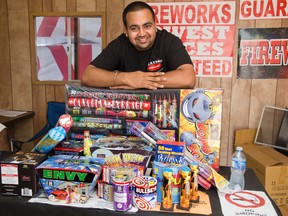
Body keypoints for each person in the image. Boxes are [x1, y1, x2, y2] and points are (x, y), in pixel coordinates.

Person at [81, 1, 196, 90]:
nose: (142, 34)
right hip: (130, 112)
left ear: (155, 25)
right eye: (134, 28)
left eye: (147, 26)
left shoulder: (169, 41)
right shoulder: (119, 45)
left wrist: (141, 82)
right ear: (126, 30)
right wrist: (127, 78)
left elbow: (188, 78)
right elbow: (87, 76)